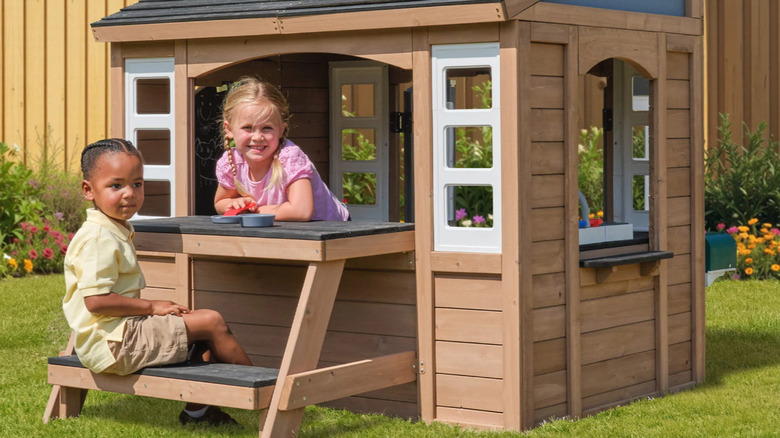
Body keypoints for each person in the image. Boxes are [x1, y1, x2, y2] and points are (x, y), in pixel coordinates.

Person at [63, 138, 251, 426]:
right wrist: (151, 306)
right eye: (116, 186)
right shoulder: (99, 238)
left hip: (112, 338)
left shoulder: (111, 229)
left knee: (197, 326)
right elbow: (97, 301)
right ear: (88, 190)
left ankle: (197, 414)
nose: (130, 193)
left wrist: (153, 310)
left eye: (137, 184)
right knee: (211, 321)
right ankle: (269, 394)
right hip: (115, 344)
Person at [214, 76, 350, 221]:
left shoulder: (289, 157)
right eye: (248, 128)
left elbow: (302, 211)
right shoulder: (232, 161)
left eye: (267, 128)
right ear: (229, 129)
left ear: (281, 130)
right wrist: (235, 204)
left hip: (332, 230)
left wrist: (252, 213)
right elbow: (220, 203)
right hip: (285, 229)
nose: (257, 137)